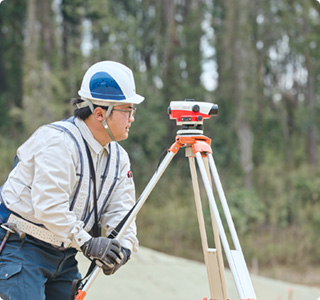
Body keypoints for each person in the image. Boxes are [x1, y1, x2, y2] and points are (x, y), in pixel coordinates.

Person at [0, 61, 144, 300]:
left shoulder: (119, 158)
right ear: (100, 113)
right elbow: (49, 207)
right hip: (22, 246)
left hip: (65, 254)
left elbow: (121, 211)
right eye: (127, 110)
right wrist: (89, 243)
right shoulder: (58, 143)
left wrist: (123, 249)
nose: (132, 118)